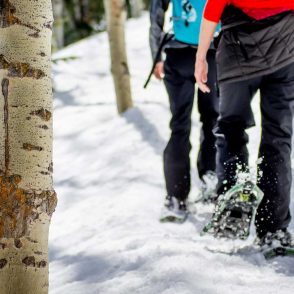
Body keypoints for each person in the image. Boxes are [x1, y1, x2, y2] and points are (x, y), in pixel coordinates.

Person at [195, 1, 294, 245]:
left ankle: (233, 204)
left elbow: (213, 7)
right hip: (285, 44)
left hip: (238, 51)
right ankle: (273, 230)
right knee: (278, 135)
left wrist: (201, 57)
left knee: (231, 129)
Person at [149, 0, 219, 222]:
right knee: (213, 120)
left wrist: (156, 55)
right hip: (213, 51)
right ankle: (211, 181)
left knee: (179, 125)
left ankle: (176, 198)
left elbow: (156, 13)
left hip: (178, 53)